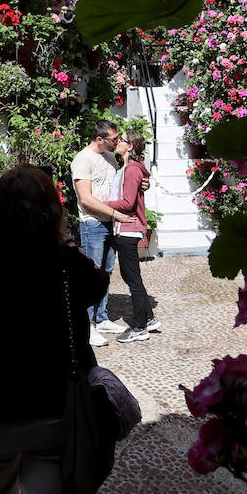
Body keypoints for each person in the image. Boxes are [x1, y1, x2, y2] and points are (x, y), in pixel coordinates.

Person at [0, 165, 109, 494]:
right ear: (51, 212)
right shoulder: (63, 260)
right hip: (51, 405)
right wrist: (68, 246)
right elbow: (98, 287)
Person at [70, 119, 133, 347]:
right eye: (113, 139)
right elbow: (86, 199)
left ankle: (101, 317)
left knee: (106, 272)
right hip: (93, 223)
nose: (117, 142)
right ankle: (87, 326)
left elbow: (117, 185)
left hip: (109, 222)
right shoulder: (82, 160)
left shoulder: (109, 157)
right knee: (91, 274)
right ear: (99, 139)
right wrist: (116, 214)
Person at [107, 130, 160, 343]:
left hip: (127, 230)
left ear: (130, 147)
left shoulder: (130, 170)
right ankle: (149, 319)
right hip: (126, 229)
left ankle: (139, 327)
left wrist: (100, 203)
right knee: (132, 277)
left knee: (132, 279)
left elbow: (127, 203)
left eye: (122, 140)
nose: (118, 142)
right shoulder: (127, 168)